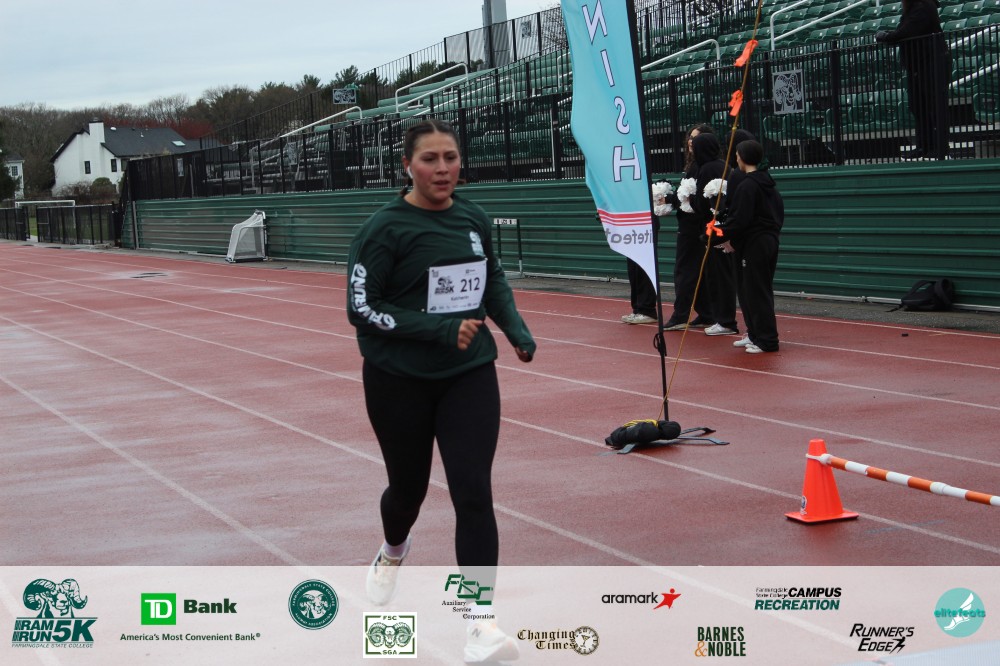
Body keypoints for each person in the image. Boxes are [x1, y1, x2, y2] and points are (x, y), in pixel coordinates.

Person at [347, 119, 533, 663]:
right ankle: (393, 550)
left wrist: (515, 330)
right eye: (430, 159)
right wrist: (438, 329)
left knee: (472, 492)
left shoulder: (473, 217)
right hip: (397, 380)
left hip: (468, 373)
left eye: (450, 157)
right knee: (408, 491)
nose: (443, 168)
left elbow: (491, 277)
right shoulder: (384, 230)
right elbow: (361, 308)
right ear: (407, 165)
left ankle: (480, 625)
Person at [717, 140, 784, 354]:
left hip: (756, 244)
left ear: (743, 157)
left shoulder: (748, 185)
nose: (736, 158)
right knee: (750, 290)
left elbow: (739, 220)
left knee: (756, 291)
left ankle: (767, 340)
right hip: (766, 241)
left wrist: (715, 234)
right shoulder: (767, 183)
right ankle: (755, 334)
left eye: (737, 155)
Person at [876, 0, 949, 160]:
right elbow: (903, 31)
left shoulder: (924, 5)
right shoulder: (912, 8)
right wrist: (890, 36)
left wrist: (887, 36)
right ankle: (924, 146)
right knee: (918, 106)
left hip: (931, 63)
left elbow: (908, 31)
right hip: (916, 65)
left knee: (935, 106)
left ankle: (941, 147)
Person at [663, 123, 717, 330]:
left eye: (696, 138)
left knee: (685, 271)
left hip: (693, 227)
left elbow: (695, 199)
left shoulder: (702, 167)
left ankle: (680, 315)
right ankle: (706, 312)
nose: (691, 142)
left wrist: (670, 199)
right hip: (693, 225)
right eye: (690, 137)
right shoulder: (696, 165)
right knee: (698, 272)